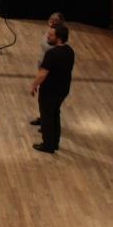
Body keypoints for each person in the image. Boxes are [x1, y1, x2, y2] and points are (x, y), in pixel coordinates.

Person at [29, 24, 74, 153]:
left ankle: (48, 145)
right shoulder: (70, 51)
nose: (48, 36)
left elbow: (42, 74)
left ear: (59, 38)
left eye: (51, 35)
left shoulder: (51, 54)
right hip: (63, 90)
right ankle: (54, 143)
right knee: (55, 114)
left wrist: (33, 85)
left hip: (50, 91)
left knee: (47, 117)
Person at [29, 12, 65, 127]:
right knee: (43, 99)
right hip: (43, 64)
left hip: (49, 68)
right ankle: (43, 118)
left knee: (47, 100)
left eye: (55, 21)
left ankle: (47, 124)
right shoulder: (50, 32)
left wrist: (34, 84)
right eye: (51, 19)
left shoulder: (58, 37)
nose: (52, 22)